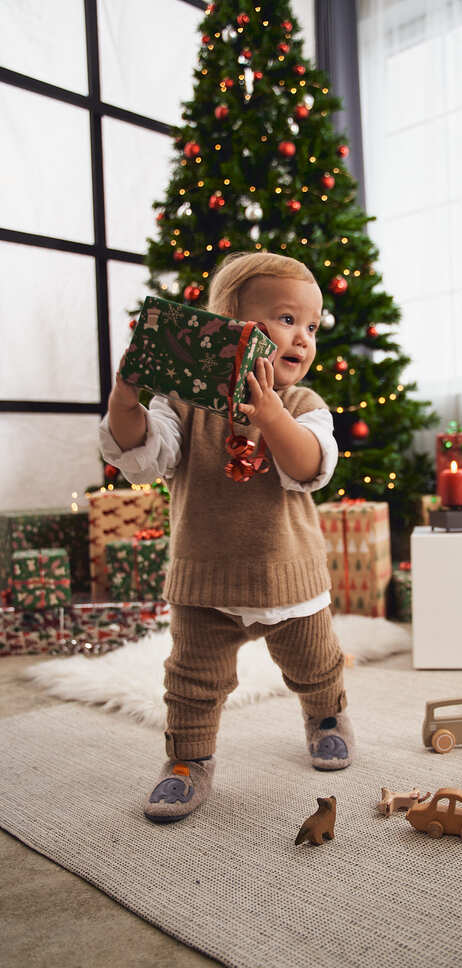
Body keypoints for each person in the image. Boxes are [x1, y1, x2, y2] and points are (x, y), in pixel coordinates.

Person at [100, 251, 354, 824]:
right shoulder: (183, 404)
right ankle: (188, 760)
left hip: (289, 578)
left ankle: (327, 717)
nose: (302, 338)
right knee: (192, 680)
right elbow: (142, 456)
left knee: (316, 664)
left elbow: (309, 464)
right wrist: (125, 399)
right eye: (286, 319)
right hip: (204, 580)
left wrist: (270, 417)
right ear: (230, 322)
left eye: (311, 327)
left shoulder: (302, 404)